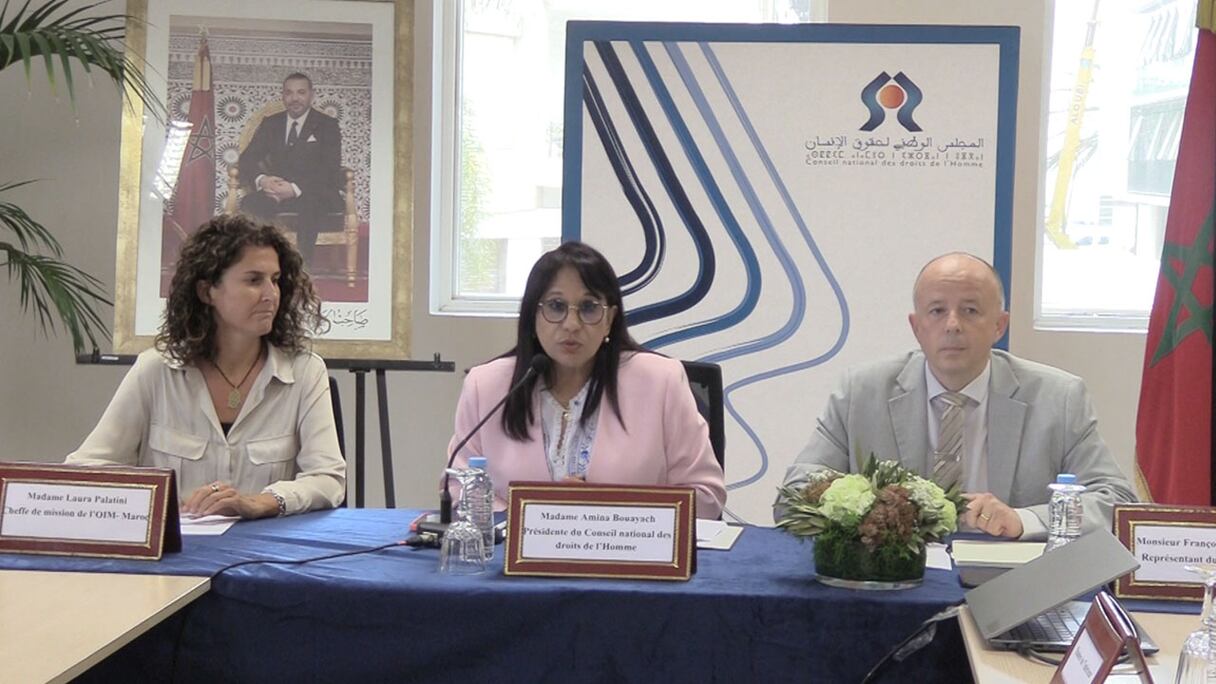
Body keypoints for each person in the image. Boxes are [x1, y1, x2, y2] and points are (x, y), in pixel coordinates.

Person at [778, 252, 1135, 539]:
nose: (952, 325)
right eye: (936, 311)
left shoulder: (1059, 398)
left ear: (999, 325)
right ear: (916, 327)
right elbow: (793, 492)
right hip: (892, 581)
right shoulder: (861, 392)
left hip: (1007, 586)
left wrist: (1024, 520)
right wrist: (869, 506)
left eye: (970, 310)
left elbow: (1117, 503)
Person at [66, 215, 345, 518]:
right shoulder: (155, 370)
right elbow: (86, 469)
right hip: (175, 554)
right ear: (206, 291)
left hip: (265, 555)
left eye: (275, 280)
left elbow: (328, 479)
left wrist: (261, 502)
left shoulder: (305, 371)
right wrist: (155, 508)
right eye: (254, 280)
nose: (271, 295)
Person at [446, 242, 726, 519]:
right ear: (533, 316)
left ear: (609, 319)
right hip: (512, 559)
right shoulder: (486, 386)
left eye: (589, 307)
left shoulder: (660, 381)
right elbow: (459, 485)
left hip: (627, 558)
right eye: (556, 306)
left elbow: (706, 497)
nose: (571, 324)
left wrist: (601, 512)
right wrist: (539, 517)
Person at [238, 72, 344, 268]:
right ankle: (262, 264)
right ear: (283, 96)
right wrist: (263, 180)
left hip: (314, 192)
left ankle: (302, 268)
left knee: (310, 204)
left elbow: (330, 170)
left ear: (311, 95)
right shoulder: (271, 123)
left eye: (301, 92)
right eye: (289, 93)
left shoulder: (327, 126)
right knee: (250, 203)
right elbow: (247, 160)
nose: (295, 98)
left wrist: (294, 188)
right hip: (276, 191)